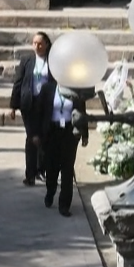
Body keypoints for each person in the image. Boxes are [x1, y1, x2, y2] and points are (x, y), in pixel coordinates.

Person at [34, 73, 88, 217]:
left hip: (70, 132)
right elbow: (39, 112)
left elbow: (82, 112)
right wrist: (36, 134)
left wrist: (84, 134)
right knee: (51, 167)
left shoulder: (76, 91)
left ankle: (64, 204)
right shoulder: (48, 89)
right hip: (52, 132)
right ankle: (50, 191)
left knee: (67, 168)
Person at [10, 32, 51, 186]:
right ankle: (30, 174)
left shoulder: (52, 60)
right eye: (34, 43)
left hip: (47, 105)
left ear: (46, 44)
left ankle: (42, 170)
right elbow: (18, 82)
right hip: (29, 104)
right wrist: (13, 106)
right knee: (32, 138)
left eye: (40, 43)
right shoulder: (27, 60)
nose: (37, 46)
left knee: (44, 137)